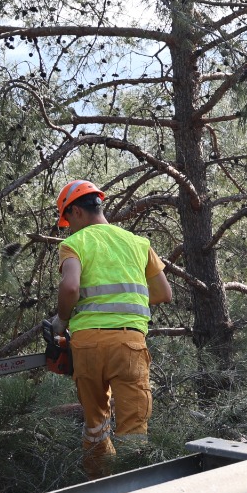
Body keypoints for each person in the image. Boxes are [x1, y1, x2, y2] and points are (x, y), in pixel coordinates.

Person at [54, 179, 174, 477]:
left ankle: (98, 488)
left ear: (77, 213)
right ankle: (135, 492)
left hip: (87, 345)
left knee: (95, 426)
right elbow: (163, 294)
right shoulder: (138, 243)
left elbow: (70, 287)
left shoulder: (74, 244)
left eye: (67, 220)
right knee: (134, 428)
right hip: (129, 345)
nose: (68, 227)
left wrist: (61, 320)